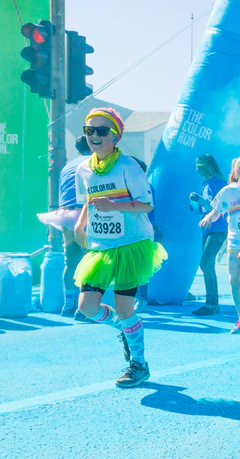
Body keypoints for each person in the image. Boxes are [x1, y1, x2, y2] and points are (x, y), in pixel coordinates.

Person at [73, 108, 167, 387]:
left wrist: (114, 205)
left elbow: (146, 205)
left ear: (116, 136)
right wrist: (80, 224)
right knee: (87, 307)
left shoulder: (128, 166)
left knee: (125, 308)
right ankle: (124, 329)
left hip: (130, 246)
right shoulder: (83, 169)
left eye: (102, 131)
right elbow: (89, 202)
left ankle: (139, 364)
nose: (95, 136)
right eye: (89, 130)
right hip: (101, 248)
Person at [200, 156, 240, 334]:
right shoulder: (228, 192)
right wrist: (209, 217)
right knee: (234, 281)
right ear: (238, 171)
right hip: (235, 243)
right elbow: (216, 212)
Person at [37, 135, 93, 321]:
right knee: (90, 262)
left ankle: (68, 305)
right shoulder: (95, 163)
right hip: (85, 216)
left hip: (66, 215)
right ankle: (85, 307)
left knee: (70, 262)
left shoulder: (68, 166)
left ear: (77, 149)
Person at [189, 154, 228, 316]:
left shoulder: (220, 183)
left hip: (219, 228)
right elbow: (203, 208)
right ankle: (212, 303)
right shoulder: (204, 184)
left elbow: (221, 206)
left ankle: (212, 303)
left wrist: (201, 201)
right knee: (207, 264)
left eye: (199, 166)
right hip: (207, 228)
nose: (196, 169)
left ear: (207, 166)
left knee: (205, 263)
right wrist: (194, 204)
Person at [132, 157, 162, 313]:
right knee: (131, 265)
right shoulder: (127, 184)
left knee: (141, 265)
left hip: (143, 230)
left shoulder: (145, 186)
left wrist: (154, 226)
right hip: (131, 230)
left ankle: (141, 299)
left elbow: (150, 209)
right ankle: (134, 298)